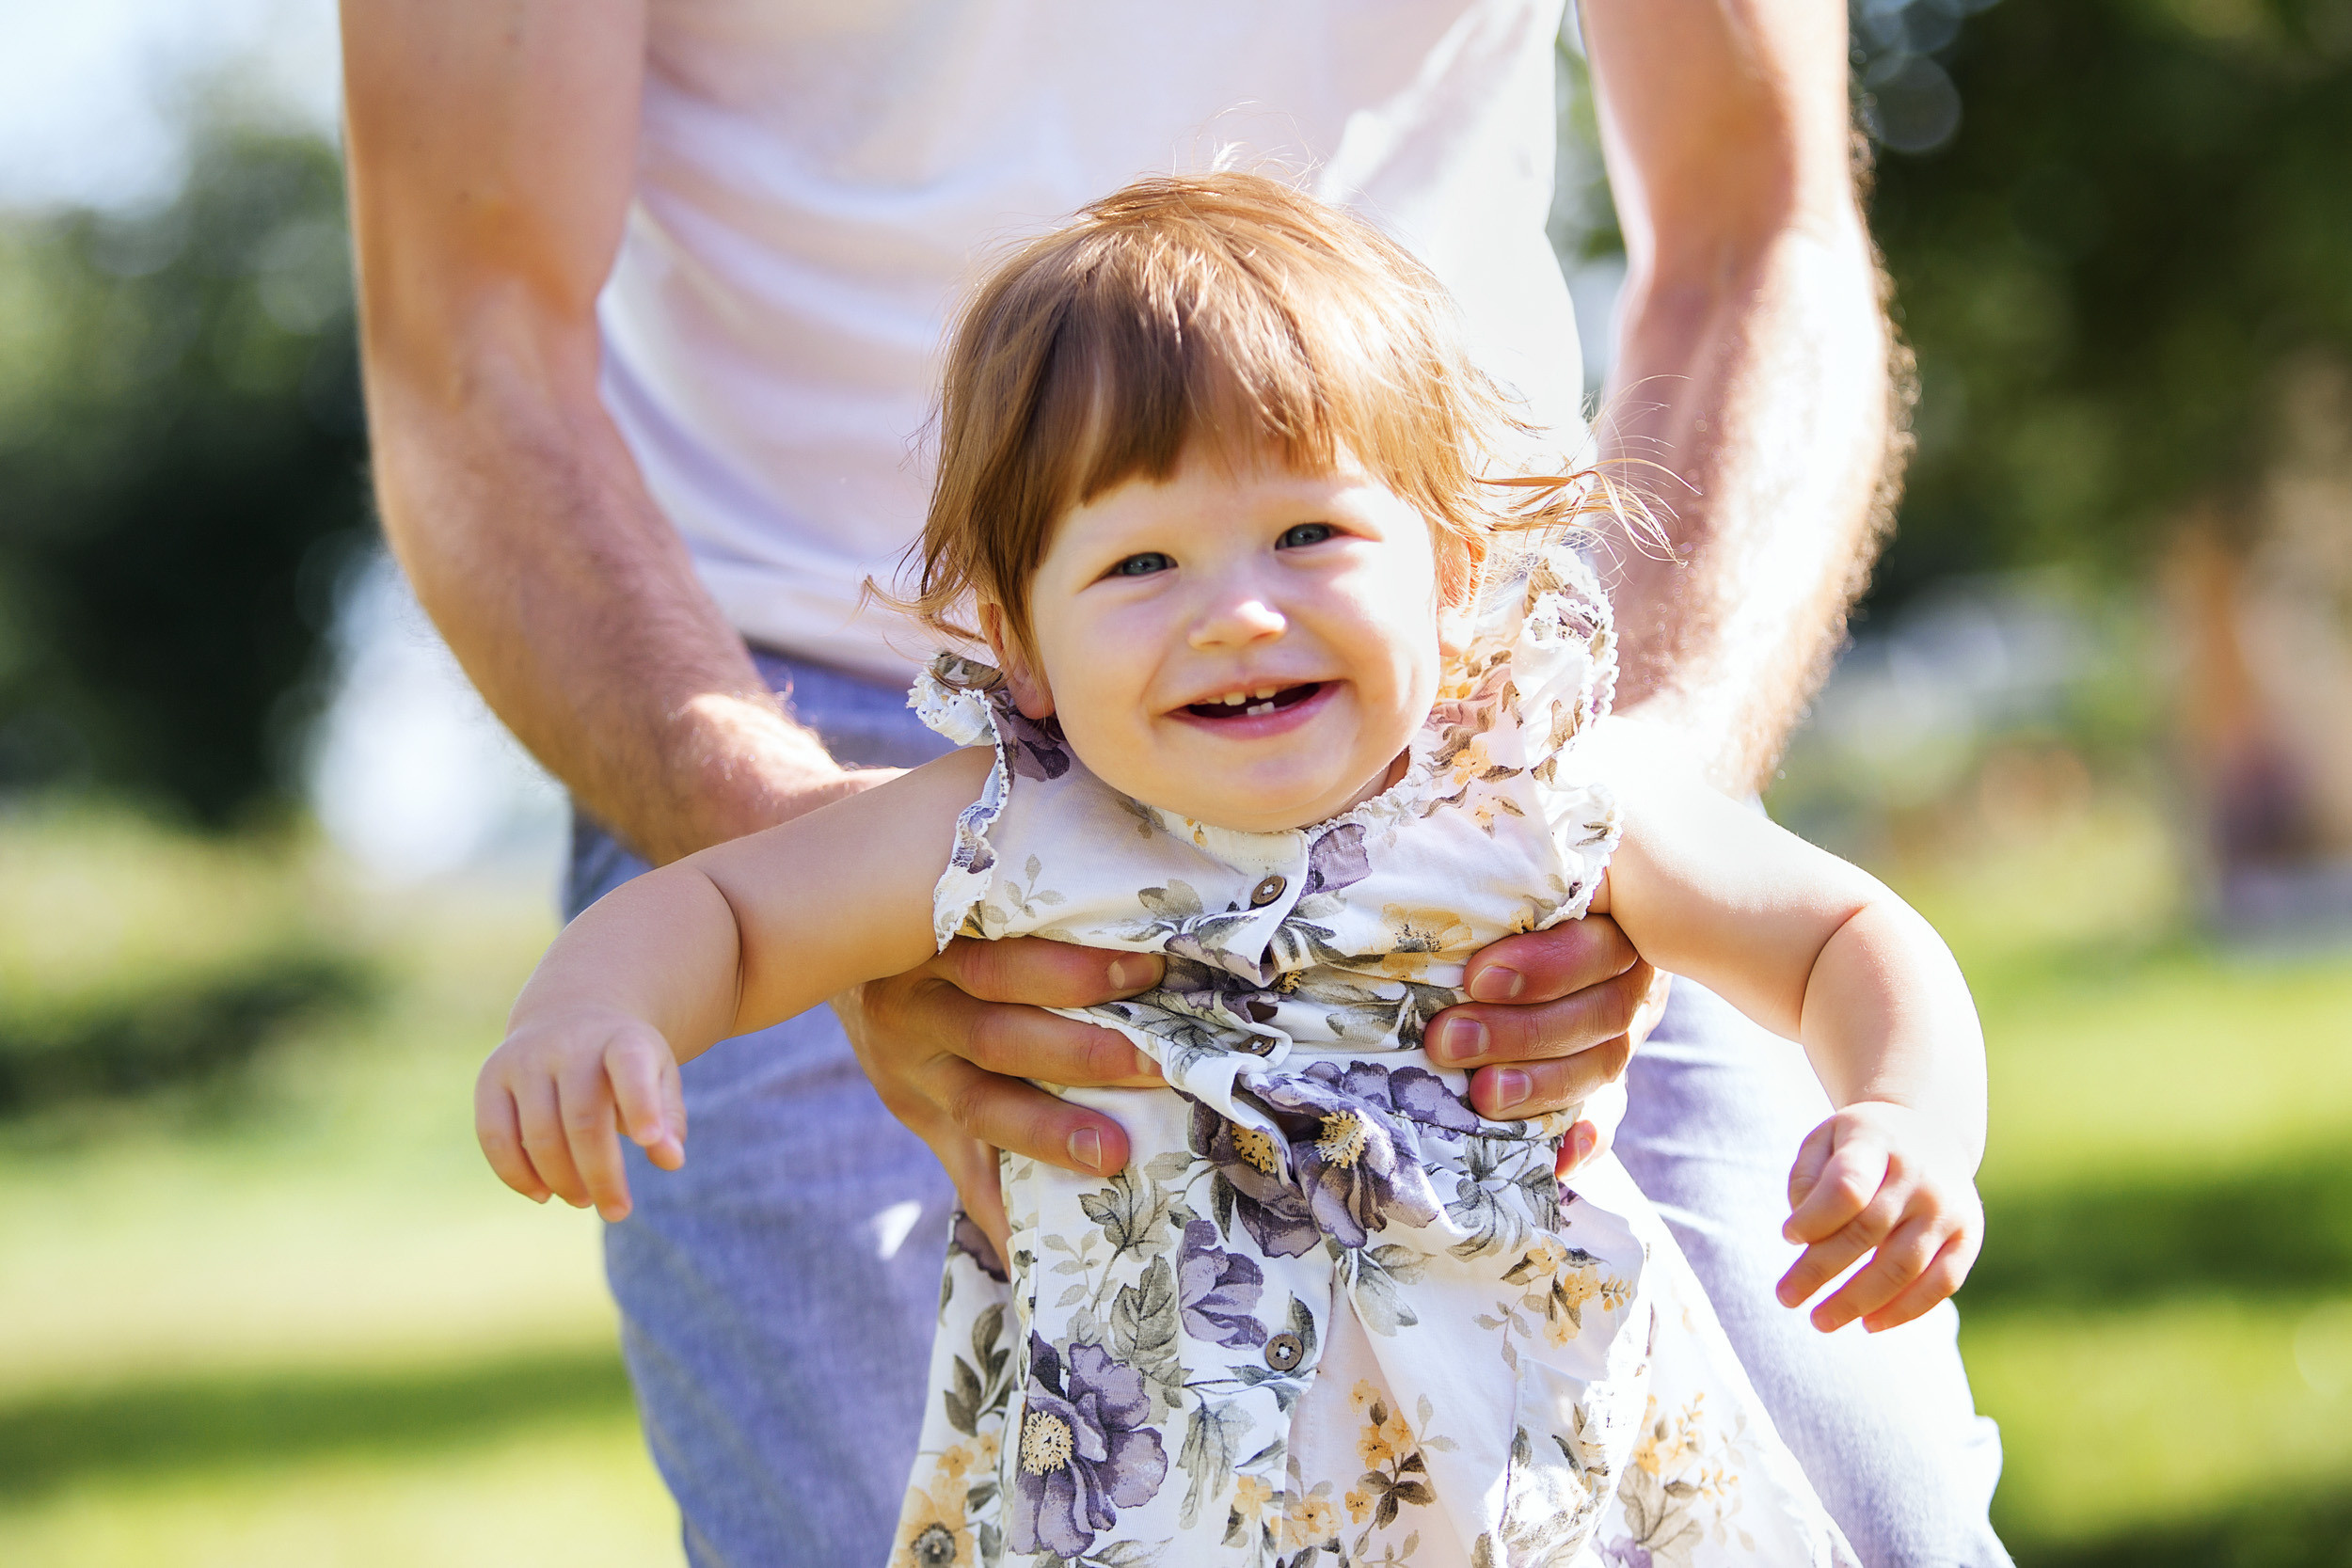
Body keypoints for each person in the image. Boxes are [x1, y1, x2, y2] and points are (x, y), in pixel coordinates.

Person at [342, 3, 2009, 1564]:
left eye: (1308, 535)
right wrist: (591, 1013)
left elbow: (1837, 936)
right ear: (1017, 650)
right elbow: (722, 911)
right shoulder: (1005, 825)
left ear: (1450, 568)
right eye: (1144, 562)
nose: (1240, 614)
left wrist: (1903, 1116)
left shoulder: (1534, 795)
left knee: (1884, 1520)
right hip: (781, 702)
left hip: (1542, 1463)